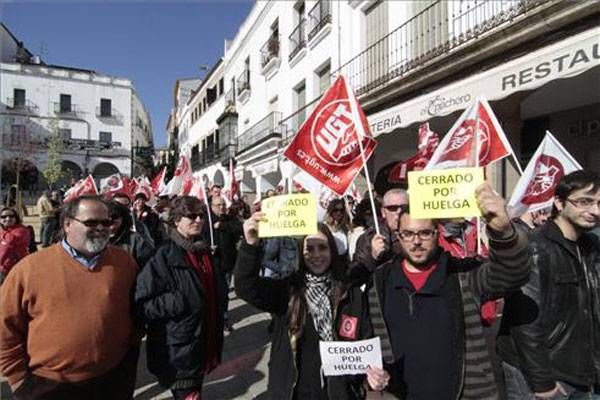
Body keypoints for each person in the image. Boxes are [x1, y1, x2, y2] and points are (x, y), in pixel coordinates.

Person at [365, 183, 531, 399]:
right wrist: (370, 375)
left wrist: (504, 232)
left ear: (438, 233)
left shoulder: (464, 274)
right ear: (398, 234)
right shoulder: (380, 281)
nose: (416, 242)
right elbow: (371, 344)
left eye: (425, 233)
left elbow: (513, 273)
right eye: (408, 234)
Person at [0, 195, 140, 399]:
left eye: (106, 222)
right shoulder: (28, 269)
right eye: (91, 222)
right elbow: (6, 328)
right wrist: (18, 380)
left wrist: (130, 357)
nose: (101, 228)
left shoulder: (124, 262)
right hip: (48, 386)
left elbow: (136, 313)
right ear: (67, 224)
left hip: (112, 379)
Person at [235, 217, 370, 400]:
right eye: (309, 249)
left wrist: (368, 377)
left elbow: (365, 340)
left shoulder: (350, 294)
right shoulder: (288, 290)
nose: (316, 255)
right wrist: (250, 245)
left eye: (322, 248)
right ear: (301, 252)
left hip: (337, 393)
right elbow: (245, 287)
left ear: (332, 251)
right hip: (294, 391)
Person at [497, 171, 600, 399]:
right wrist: (543, 383)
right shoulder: (535, 247)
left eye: (599, 203)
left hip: (582, 371)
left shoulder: (591, 247)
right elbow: (525, 323)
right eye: (585, 202)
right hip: (544, 376)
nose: (595, 211)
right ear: (559, 203)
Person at [135, 196, 227, 400]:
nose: (198, 220)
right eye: (191, 216)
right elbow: (142, 304)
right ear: (176, 221)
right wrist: (176, 302)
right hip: (179, 351)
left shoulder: (205, 252)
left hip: (205, 342)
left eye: (201, 215)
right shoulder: (163, 256)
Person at [210, 195, 243, 332]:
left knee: (224, 294)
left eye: (223, 204)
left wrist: (222, 225)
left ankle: (223, 319)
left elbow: (239, 229)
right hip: (212, 264)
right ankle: (214, 318)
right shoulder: (207, 220)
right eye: (218, 205)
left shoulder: (230, 219)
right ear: (212, 207)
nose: (222, 207)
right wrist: (207, 247)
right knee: (216, 293)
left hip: (228, 263)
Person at [353, 188, 408, 269]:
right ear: (383, 212)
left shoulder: (421, 234)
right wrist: (372, 257)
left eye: (405, 208)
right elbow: (356, 275)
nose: (399, 212)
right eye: (392, 208)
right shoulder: (369, 238)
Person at [108, 201, 155, 269]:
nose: (110, 220)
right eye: (106, 217)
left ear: (122, 218)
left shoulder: (136, 240)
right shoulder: (98, 242)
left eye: (114, 216)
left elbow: (149, 266)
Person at [0, 207, 30, 284]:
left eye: (11, 216)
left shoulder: (20, 231)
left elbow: (7, 246)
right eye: (3, 217)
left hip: (12, 268)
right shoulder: (5, 230)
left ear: (16, 218)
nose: (7, 218)